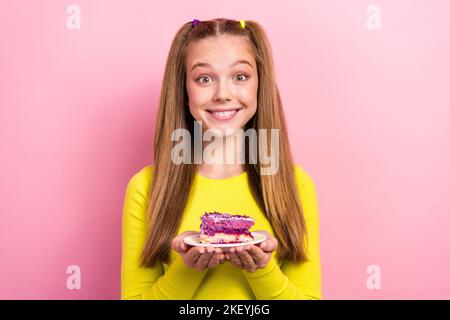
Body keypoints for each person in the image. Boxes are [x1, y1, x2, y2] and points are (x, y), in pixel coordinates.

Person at [121, 18, 322, 300]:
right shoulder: (146, 187)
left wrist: (262, 270)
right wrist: (187, 269)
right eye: (204, 79)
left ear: (258, 84)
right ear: (183, 90)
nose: (223, 95)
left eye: (240, 76)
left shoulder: (295, 185)